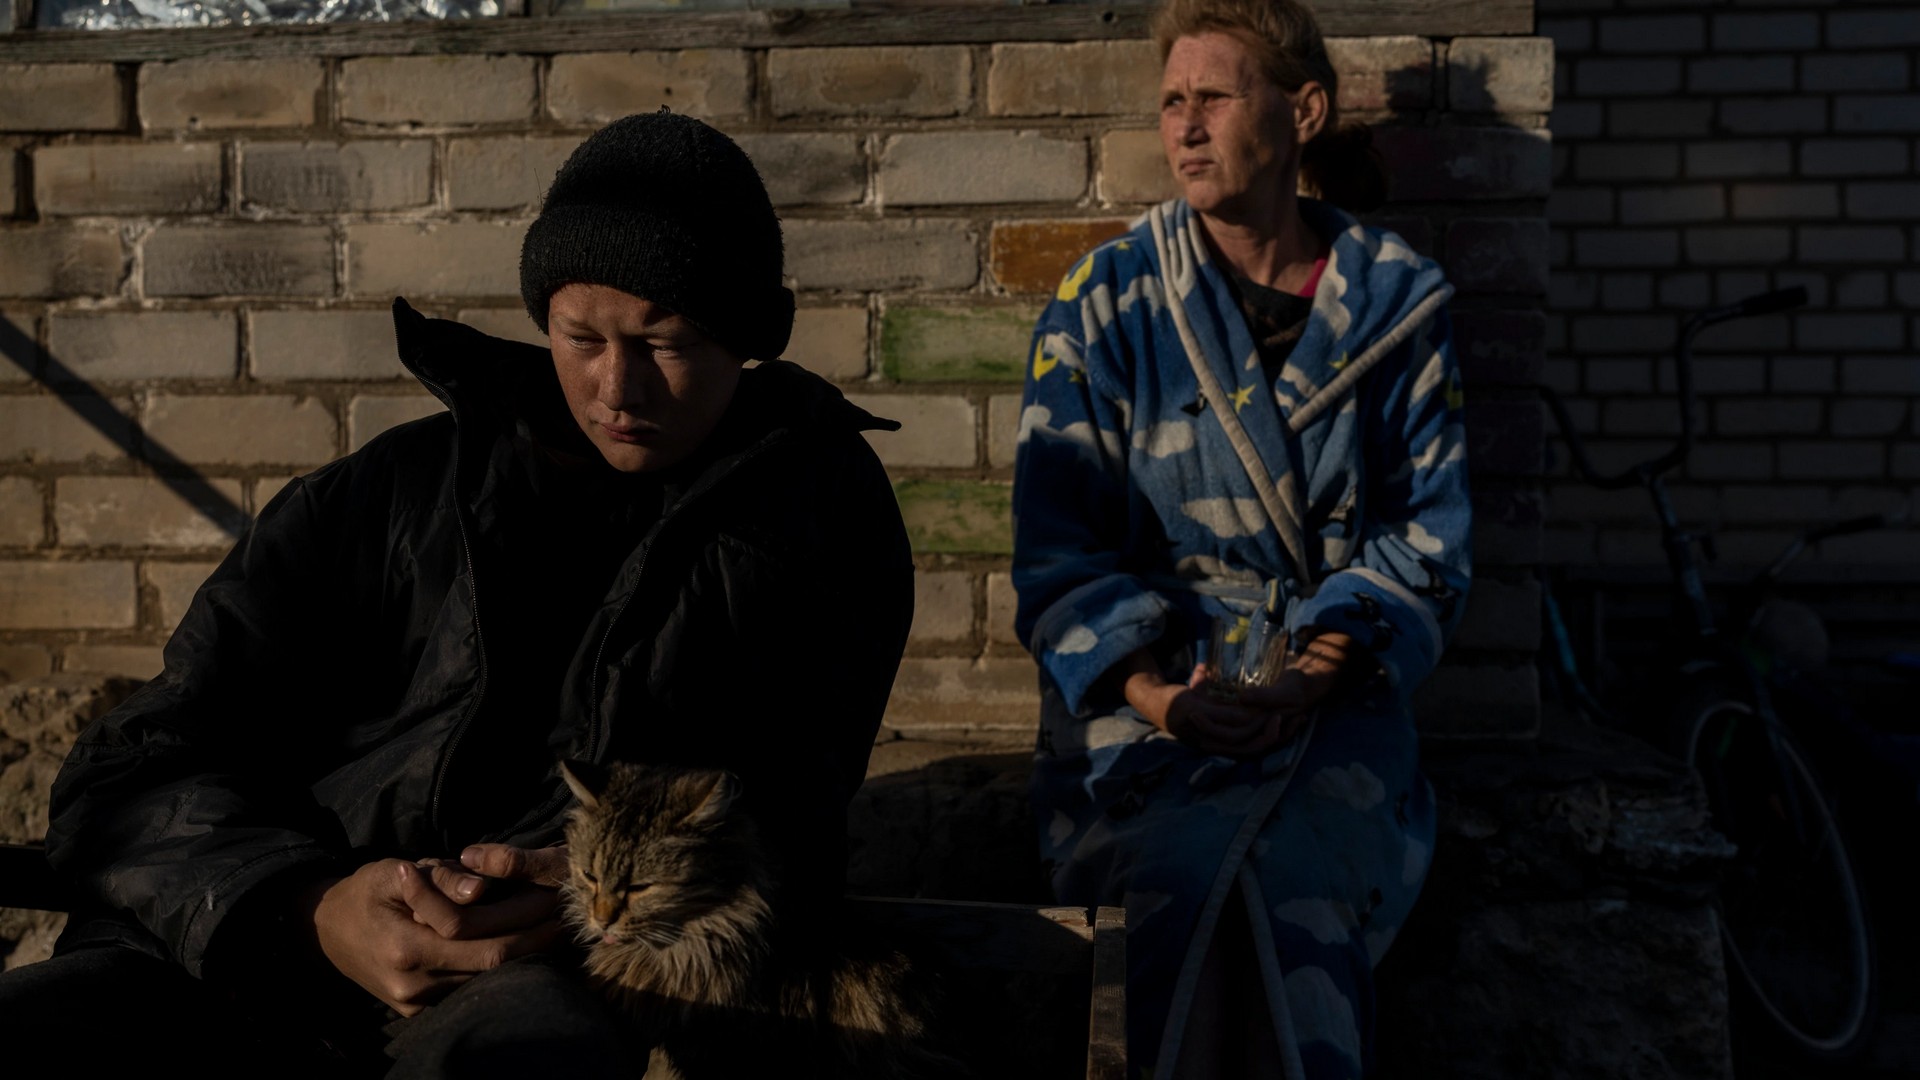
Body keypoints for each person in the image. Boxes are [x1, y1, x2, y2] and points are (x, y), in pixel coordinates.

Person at [0, 111, 914, 1076]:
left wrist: (601, 888)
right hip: (225, 949)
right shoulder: (387, 497)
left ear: (745, 340)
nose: (616, 387)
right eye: (580, 337)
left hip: (525, 977)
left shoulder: (815, 524)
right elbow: (130, 771)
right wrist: (308, 906)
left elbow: (791, 810)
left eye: (666, 342)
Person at [1011, 0, 1471, 1076]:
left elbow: (1427, 536)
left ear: (1301, 111)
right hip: (1149, 701)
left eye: (1212, 96)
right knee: (1177, 886)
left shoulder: (1398, 307)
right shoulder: (1106, 304)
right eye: (1172, 101)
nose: (1185, 125)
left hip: (1332, 695)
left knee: (1292, 892)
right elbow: (1054, 545)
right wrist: (1157, 695)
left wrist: (1310, 675)